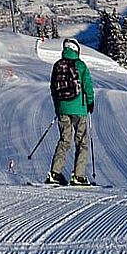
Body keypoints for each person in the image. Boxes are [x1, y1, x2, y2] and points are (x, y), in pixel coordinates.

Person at [46, 38, 95, 186]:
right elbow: (88, 86)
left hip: (62, 109)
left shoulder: (57, 65)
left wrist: (58, 107)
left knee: (64, 140)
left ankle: (55, 173)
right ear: (76, 50)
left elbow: (53, 88)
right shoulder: (80, 66)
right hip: (79, 110)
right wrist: (90, 103)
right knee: (81, 141)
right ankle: (78, 176)